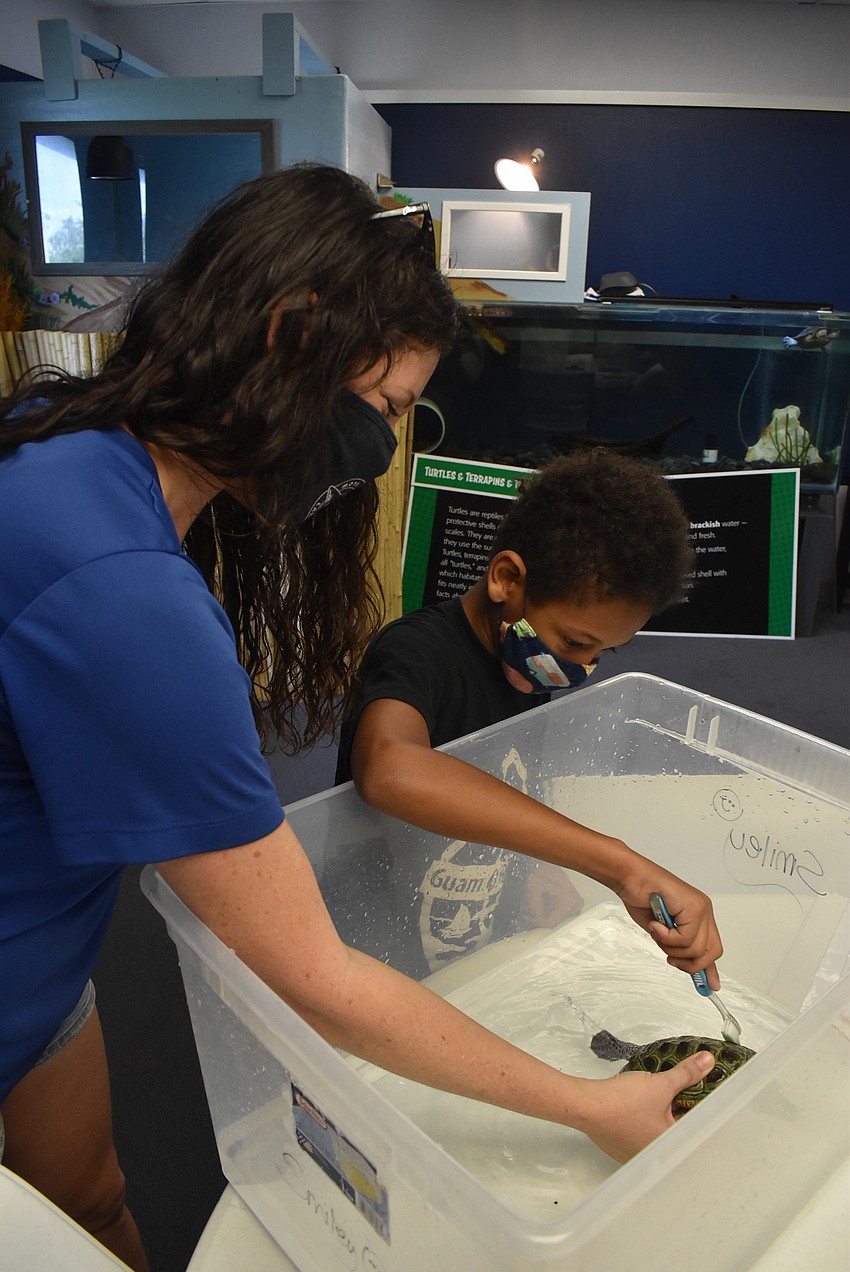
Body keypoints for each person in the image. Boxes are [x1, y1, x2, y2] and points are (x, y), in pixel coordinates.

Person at [0, 163, 718, 1272]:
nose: (381, 447)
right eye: (383, 408)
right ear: (288, 335)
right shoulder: (126, 596)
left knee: (92, 1196)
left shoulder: (58, 437)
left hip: (41, 960)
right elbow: (317, 978)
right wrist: (587, 1105)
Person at [334, 450, 713, 978]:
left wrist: (534, 868)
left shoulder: (529, 664)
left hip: (471, 928)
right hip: (377, 944)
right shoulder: (417, 651)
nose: (581, 668)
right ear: (507, 579)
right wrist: (618, 865)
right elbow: (389, 770)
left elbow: (507, 784)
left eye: (602, 653)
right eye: (576, 641)